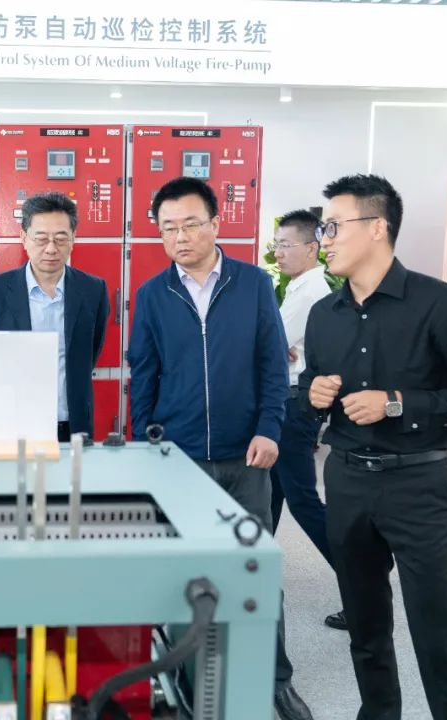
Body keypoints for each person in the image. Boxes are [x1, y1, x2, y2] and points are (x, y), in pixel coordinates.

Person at [300, 174, 447, 720]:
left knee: (438, 636)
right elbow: (310, 391)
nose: (323, 239)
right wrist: (312, 394)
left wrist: (397, 402)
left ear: (377, 227)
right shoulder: (324, 314)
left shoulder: (441, 304)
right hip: (346, 481)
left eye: (332, 227)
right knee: (365, 629)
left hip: (418, 485)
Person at [128, 177, 312, 720]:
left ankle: (276, 679)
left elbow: (273, 367)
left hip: (245, 459)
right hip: (179, 460)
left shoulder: (253, 284)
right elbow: (144, 377)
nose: (180, 237)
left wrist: (270, 428)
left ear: (214, 223)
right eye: (168, 228)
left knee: (256, 572)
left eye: (190, 224)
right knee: (181, 572)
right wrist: (144, 447)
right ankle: (183, 676)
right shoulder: (153, 294)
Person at [0, 192, 110, 441]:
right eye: (41, 238)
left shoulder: (93, 290)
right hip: (11, 426)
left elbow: (90, 354)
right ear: (24, 238)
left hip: (72, 424)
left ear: (73, 238)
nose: (51, 249)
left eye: (61, 239)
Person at [269, 209, 344, 630]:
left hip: (294, 405)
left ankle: (361, 583)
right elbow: (278, 345)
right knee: (270, 494)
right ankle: (253, 570)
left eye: (286, 244)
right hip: (288, 400)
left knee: (301, 499)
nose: (278, 252)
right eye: (277, 244)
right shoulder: (299, 287)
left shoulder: (311, 290)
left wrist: (277, 347)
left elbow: (270, 343)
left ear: (312, 248)